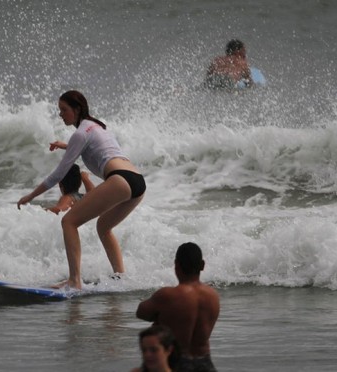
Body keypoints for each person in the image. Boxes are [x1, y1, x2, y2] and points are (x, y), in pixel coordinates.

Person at [17, 90, 146, 289]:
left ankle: (74, 280)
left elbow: (58, 175)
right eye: (59, 110)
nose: (60, 114)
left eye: (64, 109)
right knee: (103, 227)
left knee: (69, 221)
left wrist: (31, 196)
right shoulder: (97, 126)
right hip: (137, 181)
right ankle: (121, 277)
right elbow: (95, 146)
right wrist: (65, 146)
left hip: (120, 180)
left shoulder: (79, 134)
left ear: (77, 109)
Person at [136, 242, 220, 372]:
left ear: (176, 265)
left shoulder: (167, 295)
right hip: (205, 362)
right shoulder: (213, 296)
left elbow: (141, 313)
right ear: (202, 265)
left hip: (176, 363)